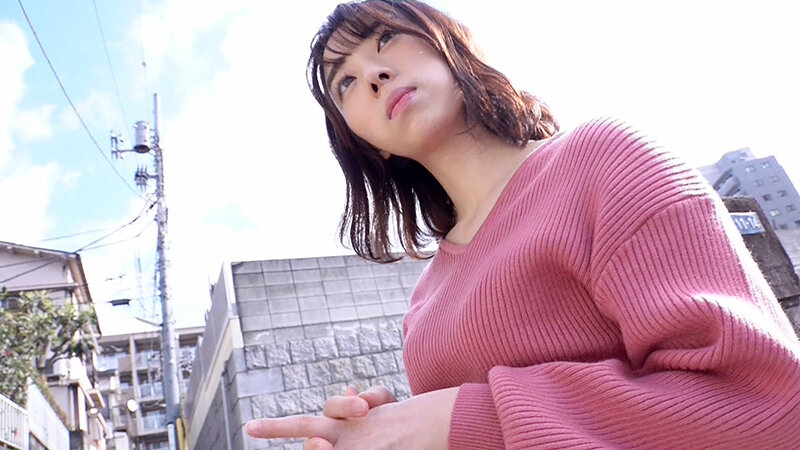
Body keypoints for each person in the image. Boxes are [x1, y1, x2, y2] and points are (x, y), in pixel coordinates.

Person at [245, 0, 800, 448]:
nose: (372, 74)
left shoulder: (605, 160)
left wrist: (461, 420)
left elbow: (767, 410)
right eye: (344, 83)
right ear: (367, 142)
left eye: (385, 38)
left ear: (451, 42)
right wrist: (391, 433)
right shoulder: (423, 308)